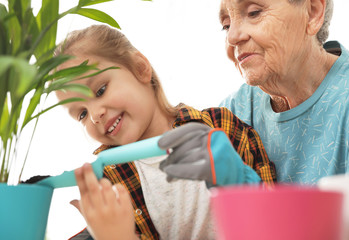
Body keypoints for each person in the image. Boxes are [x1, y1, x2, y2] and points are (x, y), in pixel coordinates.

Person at [53, 25, 276, 240]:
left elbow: (277, 224)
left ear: (139, 67)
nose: (94, 116)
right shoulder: (110, 184)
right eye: (81, 114)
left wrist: (238, 183)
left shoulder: (221, 126)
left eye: (100, 90)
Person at [159, 0, 349, 185]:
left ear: (312, 12)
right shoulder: (232, 113)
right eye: (226, 25)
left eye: (254, 13)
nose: (232, 37)